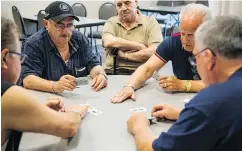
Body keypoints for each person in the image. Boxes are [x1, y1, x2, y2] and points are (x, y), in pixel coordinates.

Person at [127, 16, 242, 151]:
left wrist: (139, 127)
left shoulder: (209, 104)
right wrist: (183, 114)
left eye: (195, 58)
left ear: (208, 58)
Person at [1, 17, 88, 150]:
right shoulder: (8, 94)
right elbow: (68, 127)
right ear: (3, 58)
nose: (21, 62)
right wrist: (76, 111)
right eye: (19, 56)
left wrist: (35, 109)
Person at [111, 4, 212, 103]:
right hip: (183, 100)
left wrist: (184, 85)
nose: (184, 40)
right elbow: (147, 69)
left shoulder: (217, 46)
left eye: (190, 35)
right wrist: (129, 86)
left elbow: (222, 85)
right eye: (182, 33)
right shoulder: (173, 42)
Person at [18, 1, 107, 93]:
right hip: (47, 100)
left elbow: (93, 64)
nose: (66, 31)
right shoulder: (34, 44)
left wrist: (100, 74)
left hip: (79, 98)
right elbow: (28, 79)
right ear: (46, 24)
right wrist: (54, 86)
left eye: (70, 25)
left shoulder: (79, 39)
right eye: (60, 26)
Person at [102, 0, 162, 74]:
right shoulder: (111, 22)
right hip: (113, 71)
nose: (123, 8)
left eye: (127, 3)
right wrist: (139, 46)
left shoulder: (151, 22)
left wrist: (125, 55)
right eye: (119, 5)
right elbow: (108, 42)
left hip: (143, 73)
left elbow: (155, 52)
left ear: (136, 3)